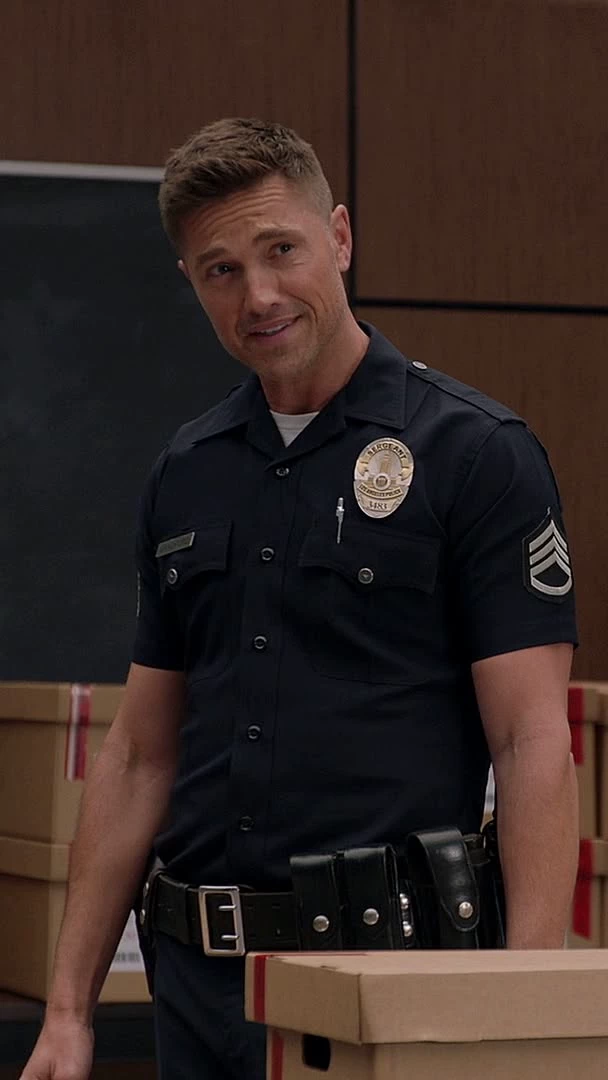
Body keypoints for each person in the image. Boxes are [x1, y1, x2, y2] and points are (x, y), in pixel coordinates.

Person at [21, 117, 578, 1080]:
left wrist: (522, 1016)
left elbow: (531, 743)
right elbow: (141, 754)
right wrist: (68, 1012)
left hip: (384, 984)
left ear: (341, 237)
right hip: (197, 992)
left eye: (281, 250)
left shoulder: (477, 454)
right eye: (221, 270)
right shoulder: (186, 471)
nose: (260, 295)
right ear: (193, 282)